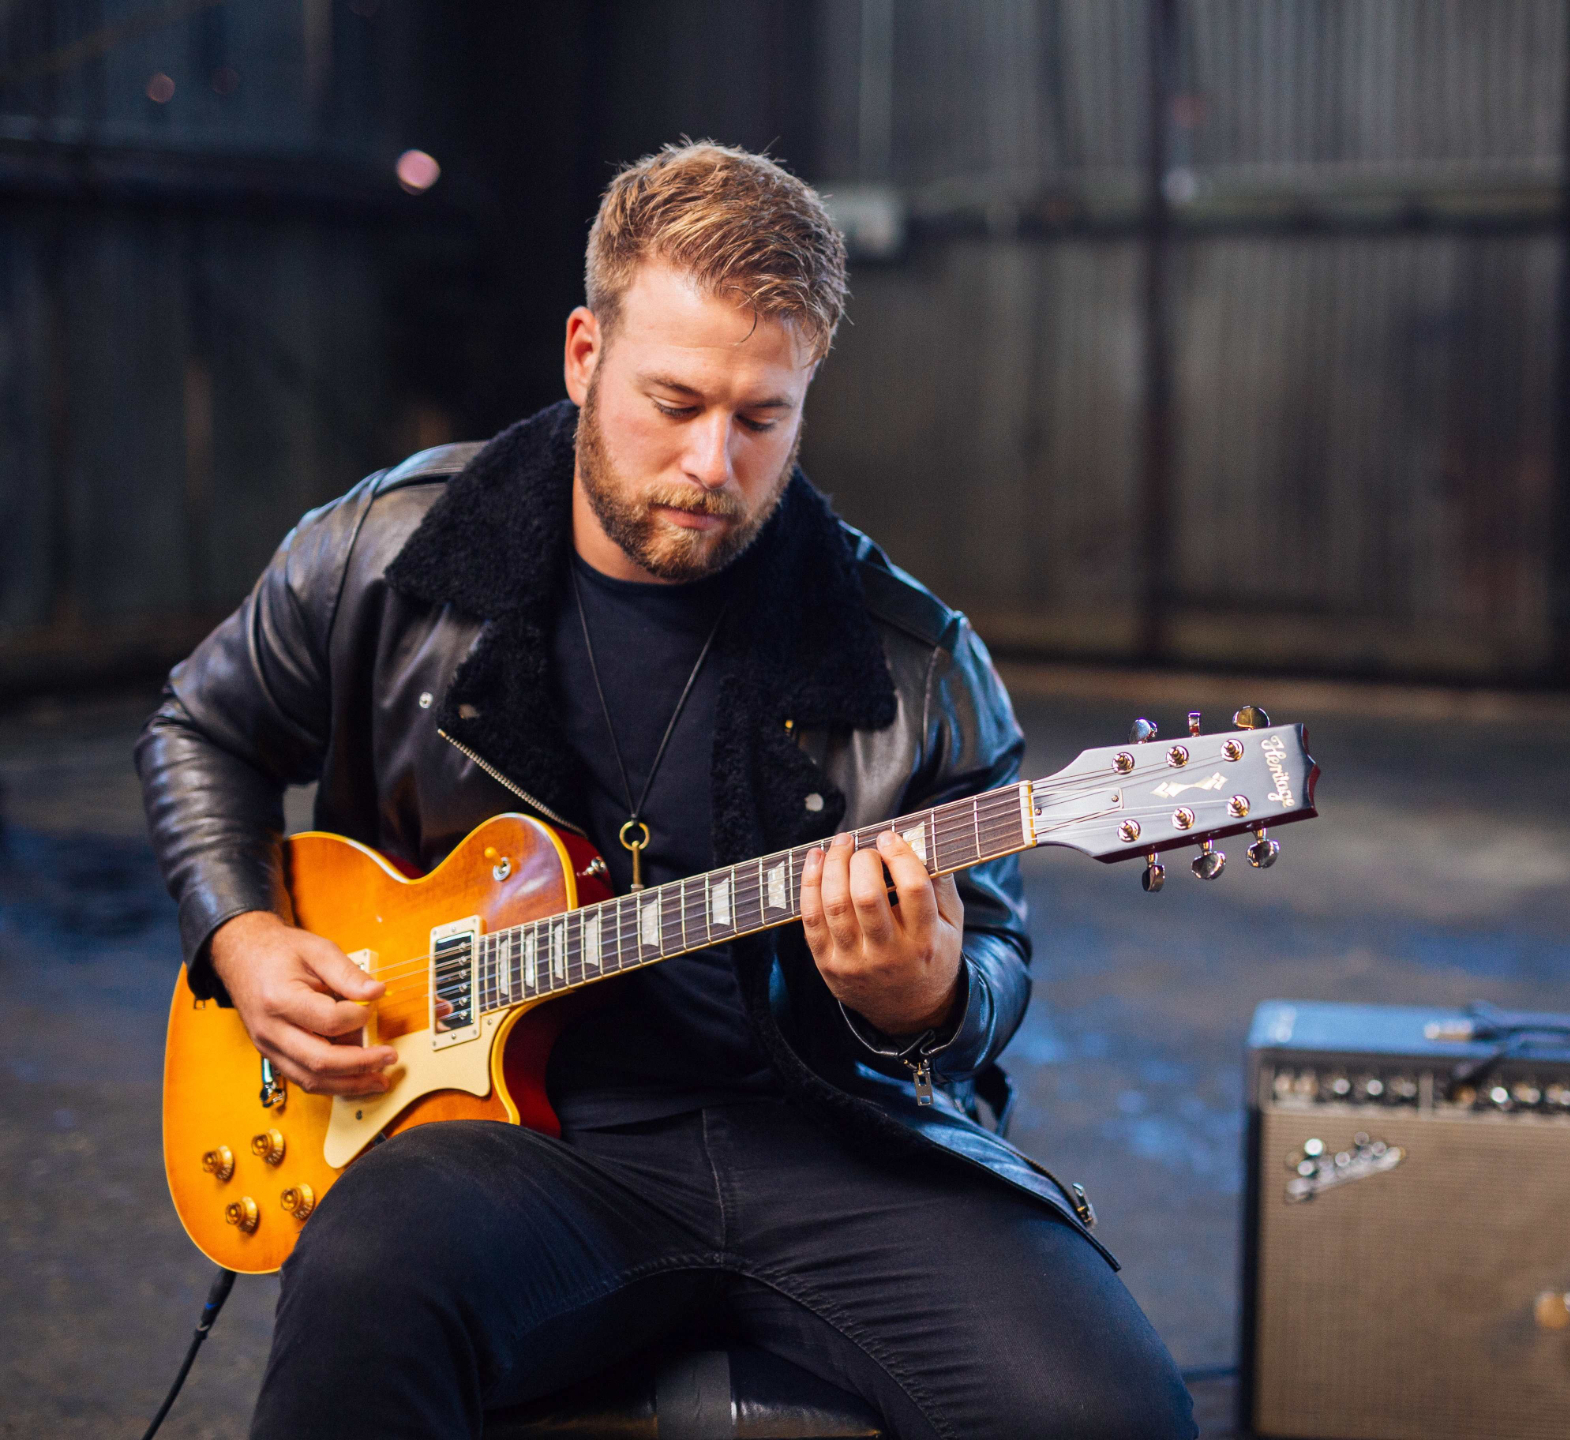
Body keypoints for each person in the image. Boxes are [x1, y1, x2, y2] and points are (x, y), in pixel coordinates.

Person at [137, 140, 1194, 1440]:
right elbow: (202, 728)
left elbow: (993, 964)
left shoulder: (917, 660)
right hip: (516, 1145)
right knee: (365, 1282)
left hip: (835, 1140)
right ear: (585, 354)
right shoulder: (385, 554)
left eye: (761, 419)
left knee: (1109, 1411)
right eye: (675, 401)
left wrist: (921, 997)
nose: (711, 463)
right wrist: (241, 936)